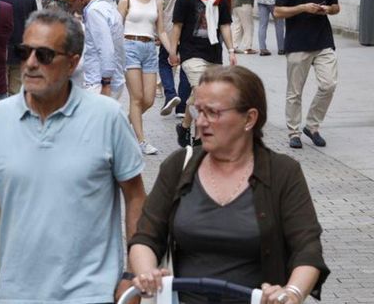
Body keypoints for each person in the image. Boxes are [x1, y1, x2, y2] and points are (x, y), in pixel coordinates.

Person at [0, 9, 146, 304]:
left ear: (72, 62)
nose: (31, 64)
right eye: (25, 52)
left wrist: (132, 277)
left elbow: (135, 197)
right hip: (16, 294)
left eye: (44, 55)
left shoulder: (107, 118)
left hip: (91, 294)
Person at [129, 66, 329, 304]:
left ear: (249, 118)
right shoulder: (178, 166)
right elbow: (146, 237)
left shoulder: (283, 172)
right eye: (198, 111)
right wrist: (146, 273)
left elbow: (307, 248)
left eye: (213, 113)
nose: (201, 122)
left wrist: (292, 293)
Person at [169, 0, 237, 147]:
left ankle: (184, 127)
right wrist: (173, 52)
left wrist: (231, 50)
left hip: (213, 53)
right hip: (191, 53)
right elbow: (177, 26)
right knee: (202, 93)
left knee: (201, 96)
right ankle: (199, 140)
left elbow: (225, 26)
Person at [274, 0, 339, 149]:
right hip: (298, 44)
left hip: (323, 42)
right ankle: (294, 132)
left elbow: (336, 7)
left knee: (329, 84)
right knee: (295, 92)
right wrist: (302, 7)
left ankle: (312, 126)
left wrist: (328, 9)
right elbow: (277, 12)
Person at [119, 0, 173, 155]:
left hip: (150, 49)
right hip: (129, 46)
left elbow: (161, 31)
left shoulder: (156, 1)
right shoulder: (126, 0)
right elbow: (117, 30)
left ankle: (124, 124)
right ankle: (141, 141)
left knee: (149, 99)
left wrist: (172, 52)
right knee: (137, 97)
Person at [63, 0, 126, 100]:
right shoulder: (105, 7)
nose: (71, 9)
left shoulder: (94, 12)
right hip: (108, 81)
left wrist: (106, 83)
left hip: (99, 84)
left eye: (71, 4)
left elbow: (106, 48)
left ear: (81, 0)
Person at [158, 0, 196, 117]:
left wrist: (156, 31)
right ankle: (182, 107)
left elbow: (159, 7)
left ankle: (170, 94)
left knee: (165, 62)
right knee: (186, 67)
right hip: (191, 30)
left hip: (169, 30)